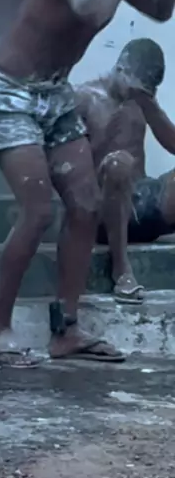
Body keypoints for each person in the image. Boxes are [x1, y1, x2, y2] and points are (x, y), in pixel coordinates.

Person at [0, 0, 175, 367]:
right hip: (9, 93)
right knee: (39, 209)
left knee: (85, 203)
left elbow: (161, 10)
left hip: (54, 93)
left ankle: (67, 330)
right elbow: (93, 11)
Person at [77, 37, 175, 304]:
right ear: (121, 69)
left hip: (142, 202)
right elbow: (72, 167)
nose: (137, 95)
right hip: (101, 207)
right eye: (136, 88)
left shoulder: (141, 100)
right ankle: (121, 269)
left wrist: (150, 105)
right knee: (119, 164)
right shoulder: (85, 98)